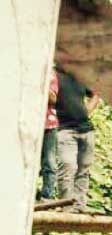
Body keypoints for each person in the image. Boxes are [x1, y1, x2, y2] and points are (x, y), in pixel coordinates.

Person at [55, 66, 99, 213]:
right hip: (64, 129)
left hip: (86, 129)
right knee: (67, 166)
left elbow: (96, 92)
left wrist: (87, 110)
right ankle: (66, 206)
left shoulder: (80, 75)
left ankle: (80, 205)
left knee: (83, 169)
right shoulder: (52, 75)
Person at [39, 67, 59, 201]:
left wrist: (42, 80)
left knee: (49, 162)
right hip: (28, 123)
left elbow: (53, 99)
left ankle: (47, 196)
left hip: (49, 123)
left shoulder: (51, 74)